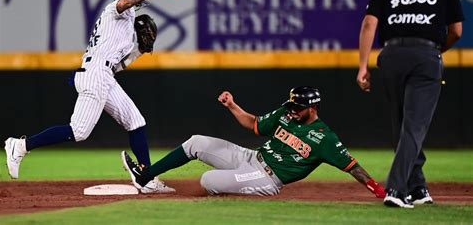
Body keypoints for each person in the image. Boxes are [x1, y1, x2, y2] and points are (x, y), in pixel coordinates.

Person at [4, 0, 186, 194]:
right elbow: (130, 1)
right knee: (79, 131)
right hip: (96, 73)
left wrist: (140, 50)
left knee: (136, 122)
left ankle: (146, 177)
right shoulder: (114, 9)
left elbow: (118, 65)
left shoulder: (126, 25)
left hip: (104, 73)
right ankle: (21, 146)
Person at [121, 86, 386, 198]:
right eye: (292, 104)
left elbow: (354, 167)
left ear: (313, 108)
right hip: (250, 158)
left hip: (268, 179)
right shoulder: (285, 114)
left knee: (208, 181)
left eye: (298, 106)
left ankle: (231, 192)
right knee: (196, 142)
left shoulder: (324, 138)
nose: (293, 109)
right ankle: (146, 177)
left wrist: (380, 191)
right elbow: (254, 124)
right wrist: (233, 106)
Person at [357, 0, 464, 208]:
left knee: (403, 125)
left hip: (392, 55)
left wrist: (363, 66)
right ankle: (396, 189)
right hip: (425, 54)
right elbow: (457, 31)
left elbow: (370, 24)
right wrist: (435, 51)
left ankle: (418, 188)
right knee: (414, 126)